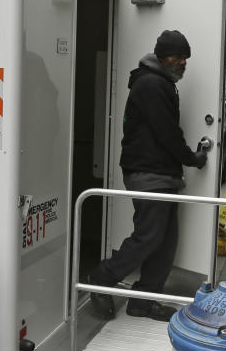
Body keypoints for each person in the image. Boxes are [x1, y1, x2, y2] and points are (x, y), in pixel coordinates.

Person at [87, 30, 209, 322]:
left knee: (165, 242)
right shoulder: (152, 84)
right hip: (148, 173)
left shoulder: (161, 82)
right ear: (162, 56)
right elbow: (166, 132)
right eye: (178, 56)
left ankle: (143, 301)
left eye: (185, 58)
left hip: (161, 174)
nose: (183, 62)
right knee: (149, 237)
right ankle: (100, 280)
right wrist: (193, 158)